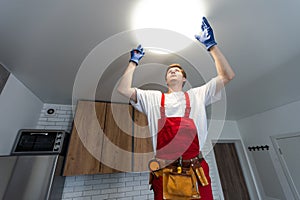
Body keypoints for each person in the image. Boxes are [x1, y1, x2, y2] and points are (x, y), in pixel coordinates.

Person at [118, 17, 235, 200]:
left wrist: (212, 46)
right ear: (166, 80)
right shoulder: (153, 98)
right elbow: (123, 90)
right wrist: (133, 62)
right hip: (164, 172)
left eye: (177, 70)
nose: (173, 71)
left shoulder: (197, 95)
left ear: (184, 80)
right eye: (169, 71)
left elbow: (228, 75)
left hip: (196, 171)